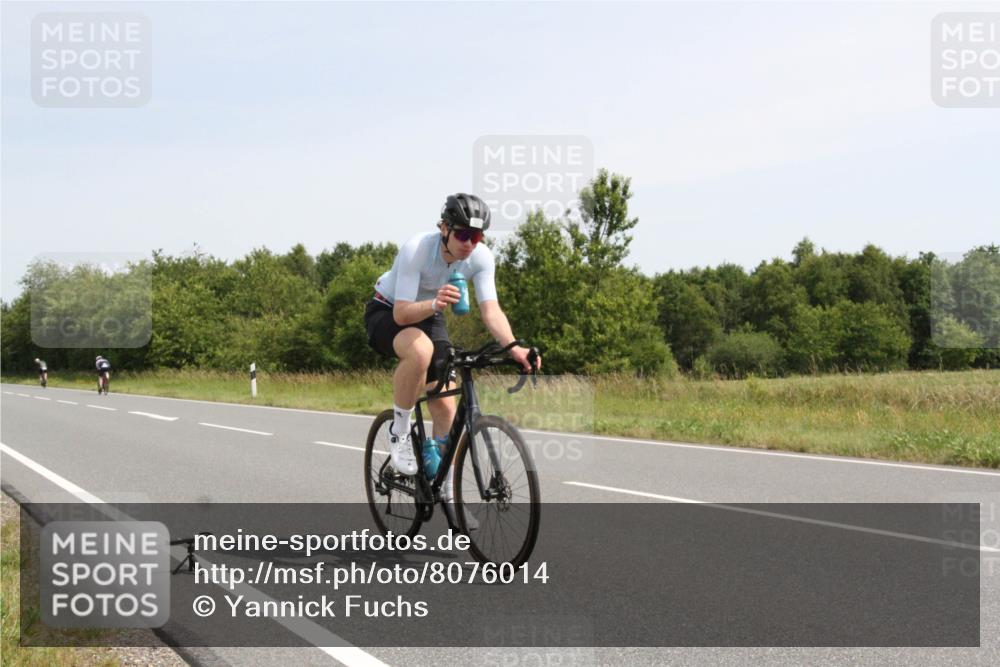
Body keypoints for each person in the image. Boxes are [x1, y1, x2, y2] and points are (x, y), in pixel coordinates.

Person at [364, 193, 542, 483]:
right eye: (462, 234)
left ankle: (445, 491)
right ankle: (399, 431)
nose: (469, 244)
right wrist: (435, 304)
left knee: (446, 404)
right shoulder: (417, 249)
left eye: (477, 236)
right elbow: (401, 314)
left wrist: (513, 348)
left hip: (430, 313)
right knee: (421, 350)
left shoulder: (480, 257)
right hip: (388, 309)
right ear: (444, 228)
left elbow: (491, 310)